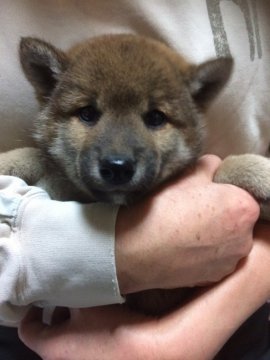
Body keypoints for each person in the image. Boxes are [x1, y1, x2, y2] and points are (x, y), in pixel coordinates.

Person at [0, 0, 270, 359]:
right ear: (47, 84)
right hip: (47, 333)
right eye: (88, 112)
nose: (118, 154)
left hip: (239, 315)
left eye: (155, 118)